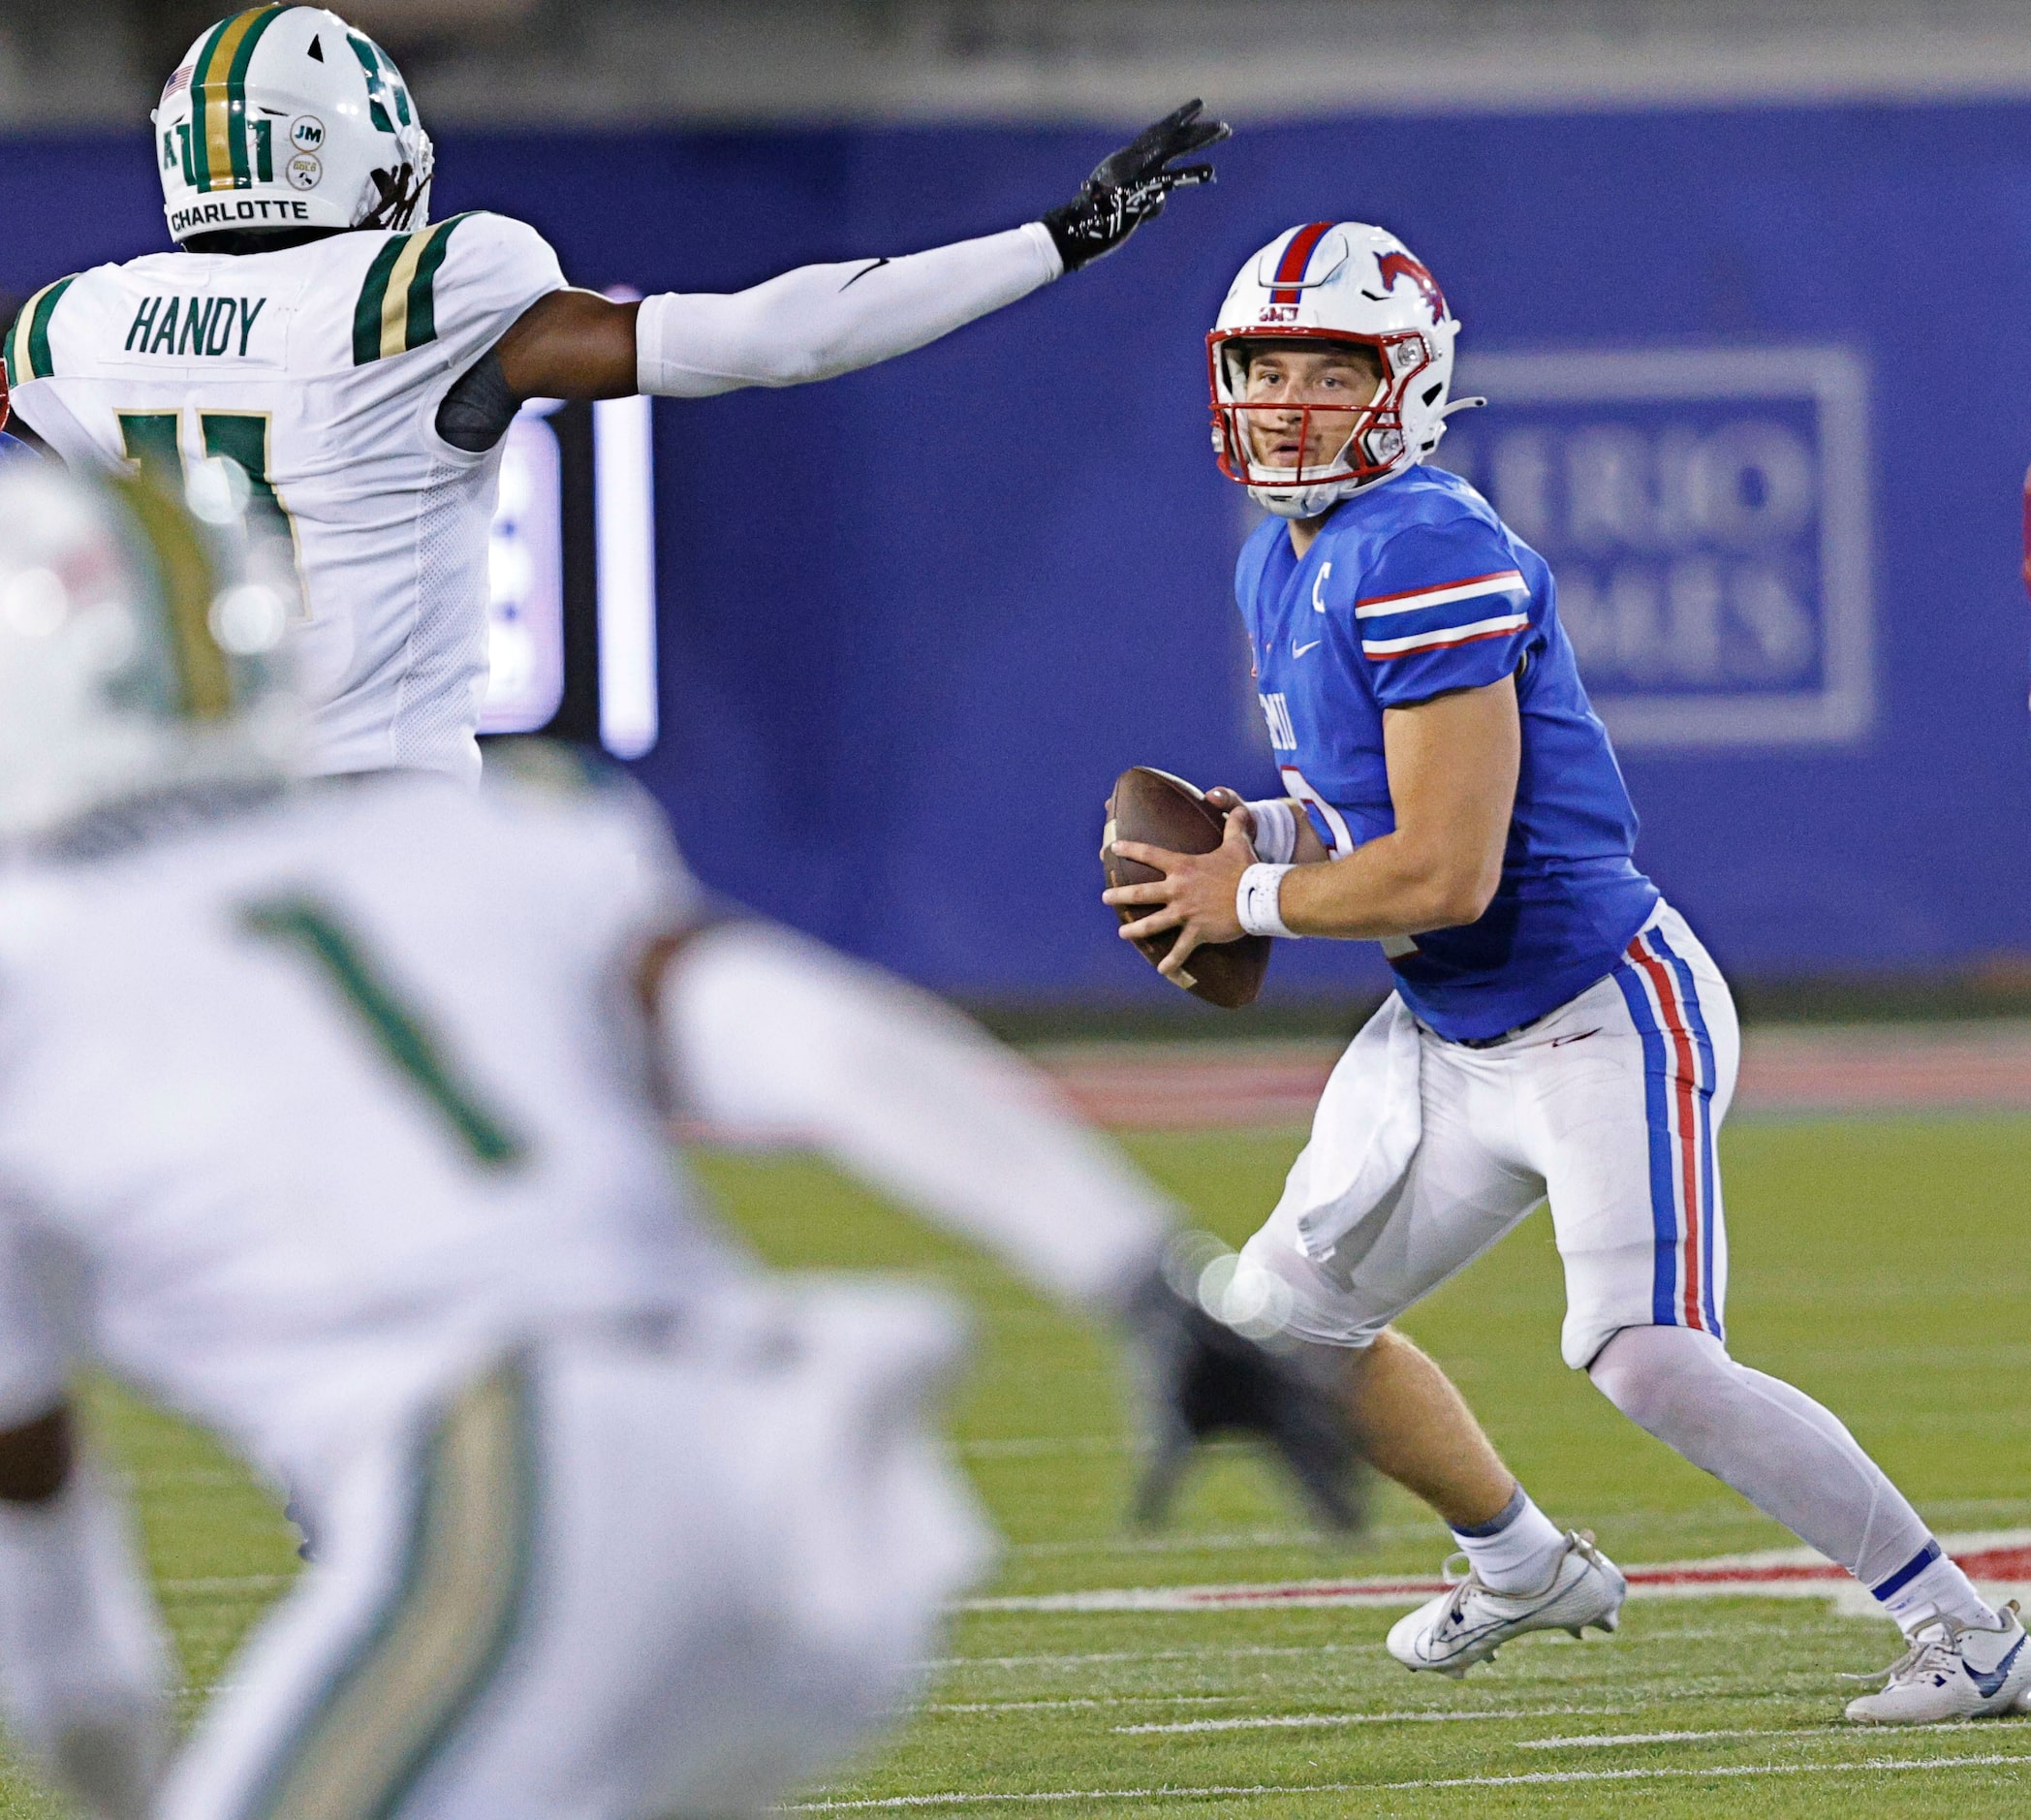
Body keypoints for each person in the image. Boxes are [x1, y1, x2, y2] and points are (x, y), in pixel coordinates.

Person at [0, 461, 1357, 1820]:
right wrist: (1137, 1274)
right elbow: (806, 1035)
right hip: (784, 1468)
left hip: (518, 1470)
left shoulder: (33, 964)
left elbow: (53, 1574)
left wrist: (121, 1790)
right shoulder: (468, 829)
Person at [1102, 219, 2030, 1725]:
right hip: (1446, 1026)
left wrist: (1250, 890)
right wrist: (1260, 830)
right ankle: (1525, 1563)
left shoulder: (1425, 547)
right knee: (1277, 1327)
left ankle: (1968, 1628)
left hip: (1599, 1012)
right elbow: (1374, 813)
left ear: (1405, 383)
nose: (1284, 397)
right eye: (1264, 362)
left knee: (1647, 1356)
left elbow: (1446, 869)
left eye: (1327, 366)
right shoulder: (1292, 559)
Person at [0, 2, 1227, 784]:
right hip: (384, 827)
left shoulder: (72, 325)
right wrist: (1049, 241)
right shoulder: (423, 287)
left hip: (185, 841)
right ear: (347, 146)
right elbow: (767, 337)